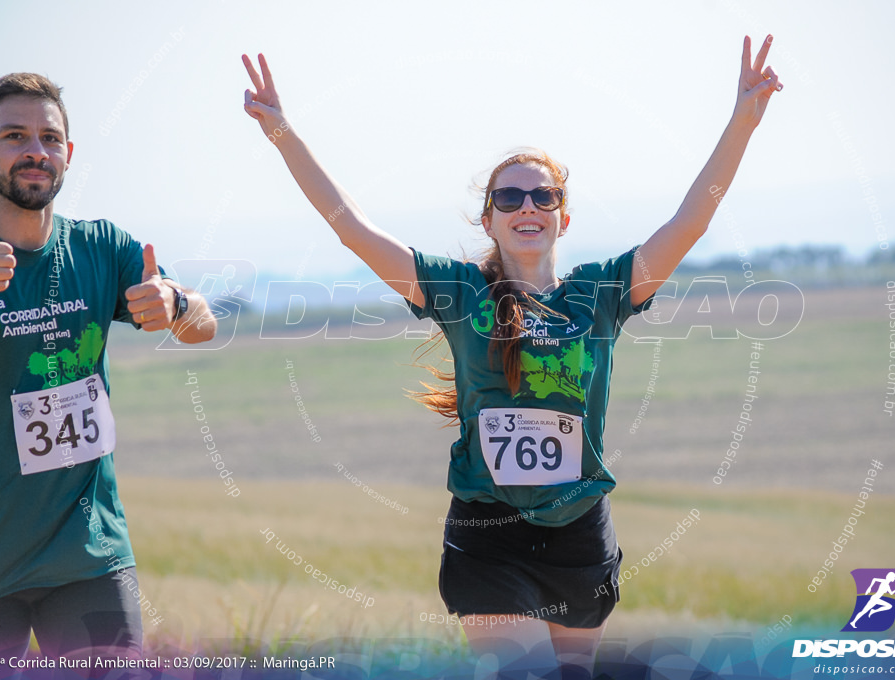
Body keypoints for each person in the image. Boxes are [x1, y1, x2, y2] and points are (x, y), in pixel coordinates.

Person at [242, 34, 781, 678]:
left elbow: (689, 222)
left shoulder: (600, 294)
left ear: (562, 218)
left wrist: (742, 122)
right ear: (490, 220)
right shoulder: (459, 290)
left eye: (543, 196)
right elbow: (351, 226)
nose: (527, 206)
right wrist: (283, 134)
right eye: (509, 198)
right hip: (487, 536)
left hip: (579, 535)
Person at [0, 73, 218, 670]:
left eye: (50, 138)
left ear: (68, 154)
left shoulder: (102, 248)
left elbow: (203, 321)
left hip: (88, 556)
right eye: (15, 136)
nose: (35, 151)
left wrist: (176, 304)